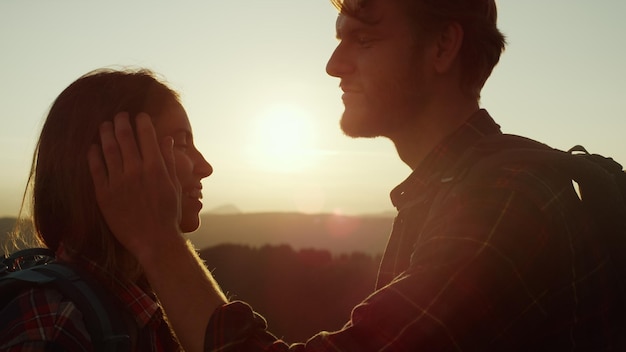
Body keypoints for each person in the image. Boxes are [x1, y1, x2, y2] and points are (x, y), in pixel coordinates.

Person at [88, 0, 624, 351]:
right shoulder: (454, 191)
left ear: (442, 47)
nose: (334, 64)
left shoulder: (504, 200)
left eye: (363, 40)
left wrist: (159, 243)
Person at [0, 68, 214, 351]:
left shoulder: (148, 307)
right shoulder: (56, 324)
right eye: (182, 143)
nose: (205, 167)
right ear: (116, 158)